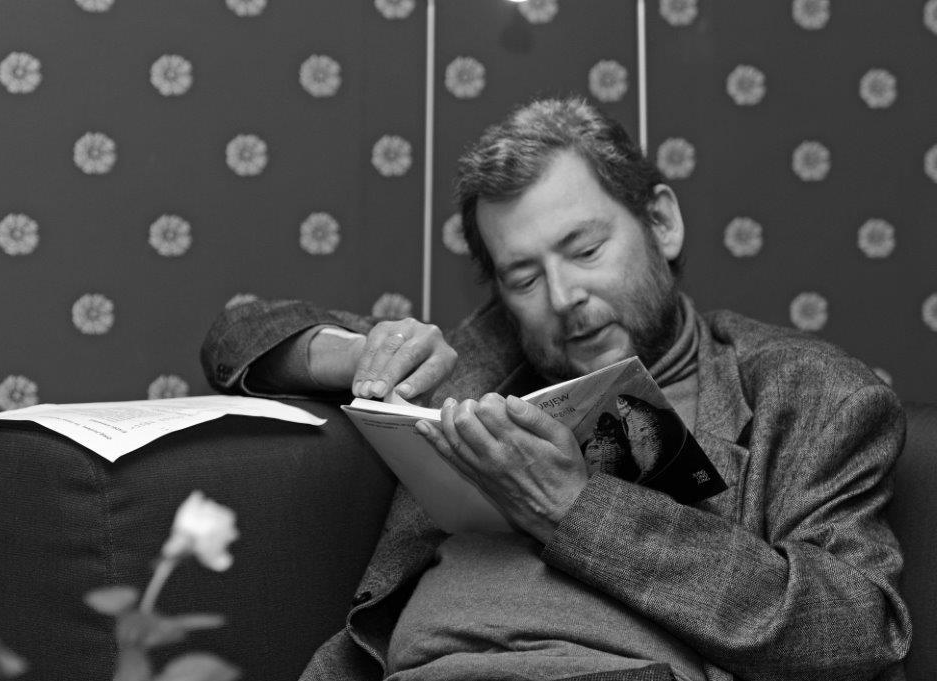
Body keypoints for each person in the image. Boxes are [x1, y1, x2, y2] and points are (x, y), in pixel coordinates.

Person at [201, 98, 911, 680]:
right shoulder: (485, 361)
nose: (564, 296)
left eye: (586, 250)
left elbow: (855, 629)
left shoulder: (806, 393)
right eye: (524, 277)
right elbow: (237, 335)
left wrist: (576, 506)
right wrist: (363, 355)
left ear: (661, 223)